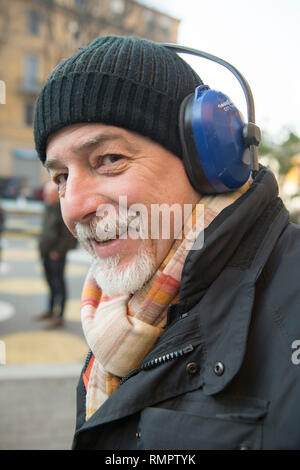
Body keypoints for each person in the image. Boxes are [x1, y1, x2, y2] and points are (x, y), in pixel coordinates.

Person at [33, 35, 300, 450]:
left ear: (211, 160)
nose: (75, 206)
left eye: (109, 159)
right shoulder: (117, 316)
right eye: (61, 177)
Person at [36, 180, 77, 328]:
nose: (46, 195)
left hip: (56, 255)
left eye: (49, 193)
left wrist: (58, 252)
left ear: (57, 194)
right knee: (50, 283)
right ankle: (50, 310)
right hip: (45, 253)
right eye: (45, 193)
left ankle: (59, 317)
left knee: (59, 284)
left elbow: (68, 236)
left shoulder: (62, 210)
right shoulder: (48, 208)